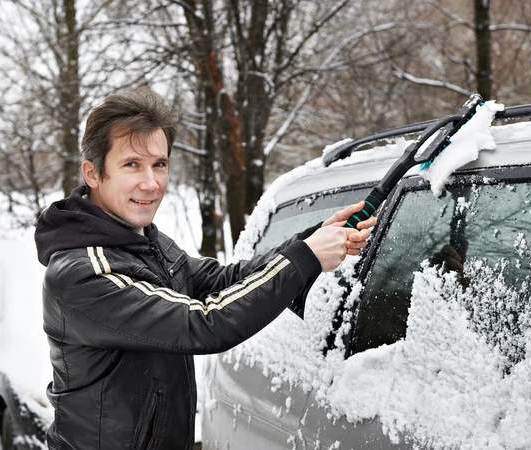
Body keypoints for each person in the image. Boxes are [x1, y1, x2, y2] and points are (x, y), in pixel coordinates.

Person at [34, 87, 377, 450]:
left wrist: (310, 240)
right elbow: (203, 323)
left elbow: (221, 281)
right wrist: (305, 257)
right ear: (93, 173)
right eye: (131, 164)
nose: (151, 184)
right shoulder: (83, 273)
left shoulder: (142, 240)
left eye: (159, 165)